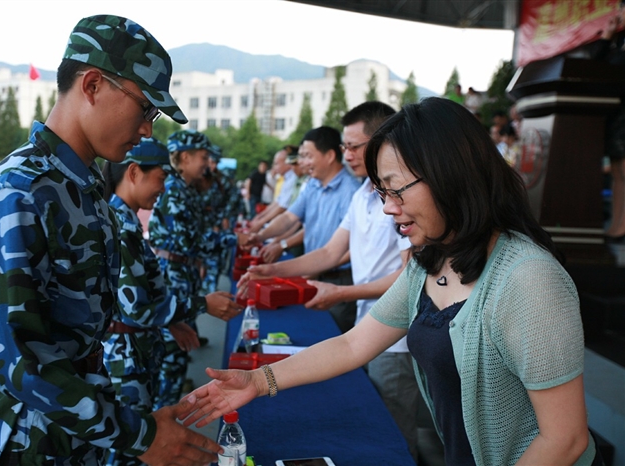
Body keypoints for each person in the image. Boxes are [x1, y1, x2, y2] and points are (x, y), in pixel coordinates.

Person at [182, 98, 601, 466]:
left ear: (450, 177)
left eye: (397, 190)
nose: (387, 207)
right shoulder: (430, 261)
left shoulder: (528, 279)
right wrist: (259, 381)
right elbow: (354, 344)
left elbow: (564, 440)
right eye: (382, 192)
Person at [0, 15, 220, 465]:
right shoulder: (23, 190)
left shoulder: (78, 186)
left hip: (69, 429)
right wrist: (141, 436)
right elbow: (21, 360)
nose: (147, 130)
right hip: (21, 440)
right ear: (92, 85)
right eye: (145, 109)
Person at [238, 101, 422, 460]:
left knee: (394, 437)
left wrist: (342, 292)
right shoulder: (363, 194)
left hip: (396, 337)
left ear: (384, 142)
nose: (347, 155)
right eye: (344, 146)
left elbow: (410, 277)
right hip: (368, 324)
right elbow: (329, 252)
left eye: (353, 147)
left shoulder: (401, 198)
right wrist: (272, 270)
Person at [101, 138, 242, 465]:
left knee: (135, 442)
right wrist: (202, 304)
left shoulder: (124, 219)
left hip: (135, 349)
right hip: (125, 355)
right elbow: (137, 308)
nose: (164, 188)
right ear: (134, 173)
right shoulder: (119, 225)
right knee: (130, 449)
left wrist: (172, 319)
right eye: (161, 178)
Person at [148, 130, 245, 409]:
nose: (207, 163)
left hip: (183, 272)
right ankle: (164, 414)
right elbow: (189, 241)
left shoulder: (185, 188)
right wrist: (233, 239)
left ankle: (170, 405)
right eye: (203, 157)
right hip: (173, 274)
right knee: (173, 350)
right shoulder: (174, 190)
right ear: (185, 157)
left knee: (181, 345)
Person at [245, 127, 361, 333]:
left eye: (308, 156)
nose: (303, 162)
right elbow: (289, 217)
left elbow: (353, 248)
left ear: (330, 156)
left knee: (332, 337)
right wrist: (260, 235)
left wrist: (317, 267)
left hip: (338, 279)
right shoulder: (312, 185)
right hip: (313, 271)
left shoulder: (352, 192)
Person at [592, 0, 625, 241]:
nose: (620, 13)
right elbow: (595, 67)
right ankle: (617, 224)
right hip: (616, 117)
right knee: (618, 175)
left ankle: (621, 226)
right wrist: (607, 37)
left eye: (623, 8)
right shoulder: (619, 42)